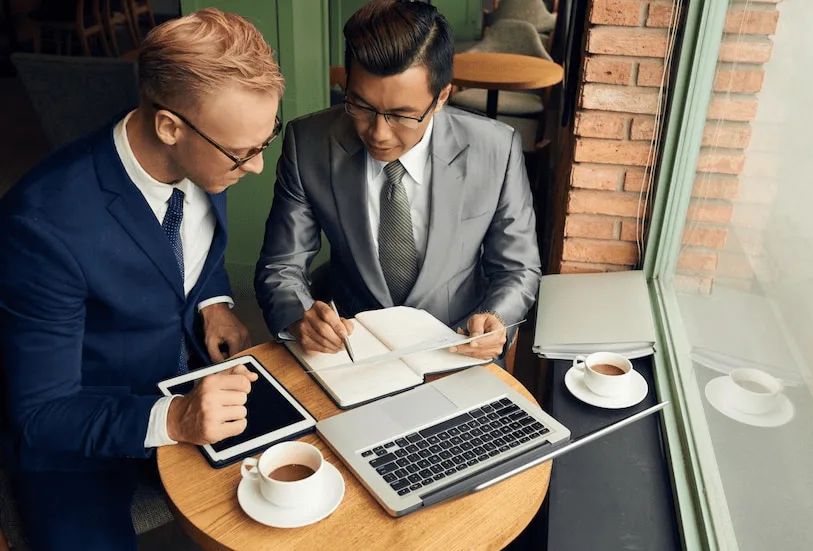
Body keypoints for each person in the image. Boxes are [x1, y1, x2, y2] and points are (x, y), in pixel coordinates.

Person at [0, 9, 284, 550]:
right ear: (169, 126)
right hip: (79, 435)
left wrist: (213, 301)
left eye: (264, 140)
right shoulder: (39, 228)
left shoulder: (208, 153)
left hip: (192, 381)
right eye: (243, 153)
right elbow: (40, 413)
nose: (255, 168)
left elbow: (184, 255)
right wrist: (175, 419)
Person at [255, 0, 541, 362]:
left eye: (401, 115)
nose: (378, 133)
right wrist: (299, 316)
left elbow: (518, 268)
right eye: (360, 106)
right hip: (352, 349)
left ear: (441, 98)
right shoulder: (308, 144)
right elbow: (280, 266)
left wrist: (498, 317)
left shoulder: (497, 150)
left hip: (456, 346)